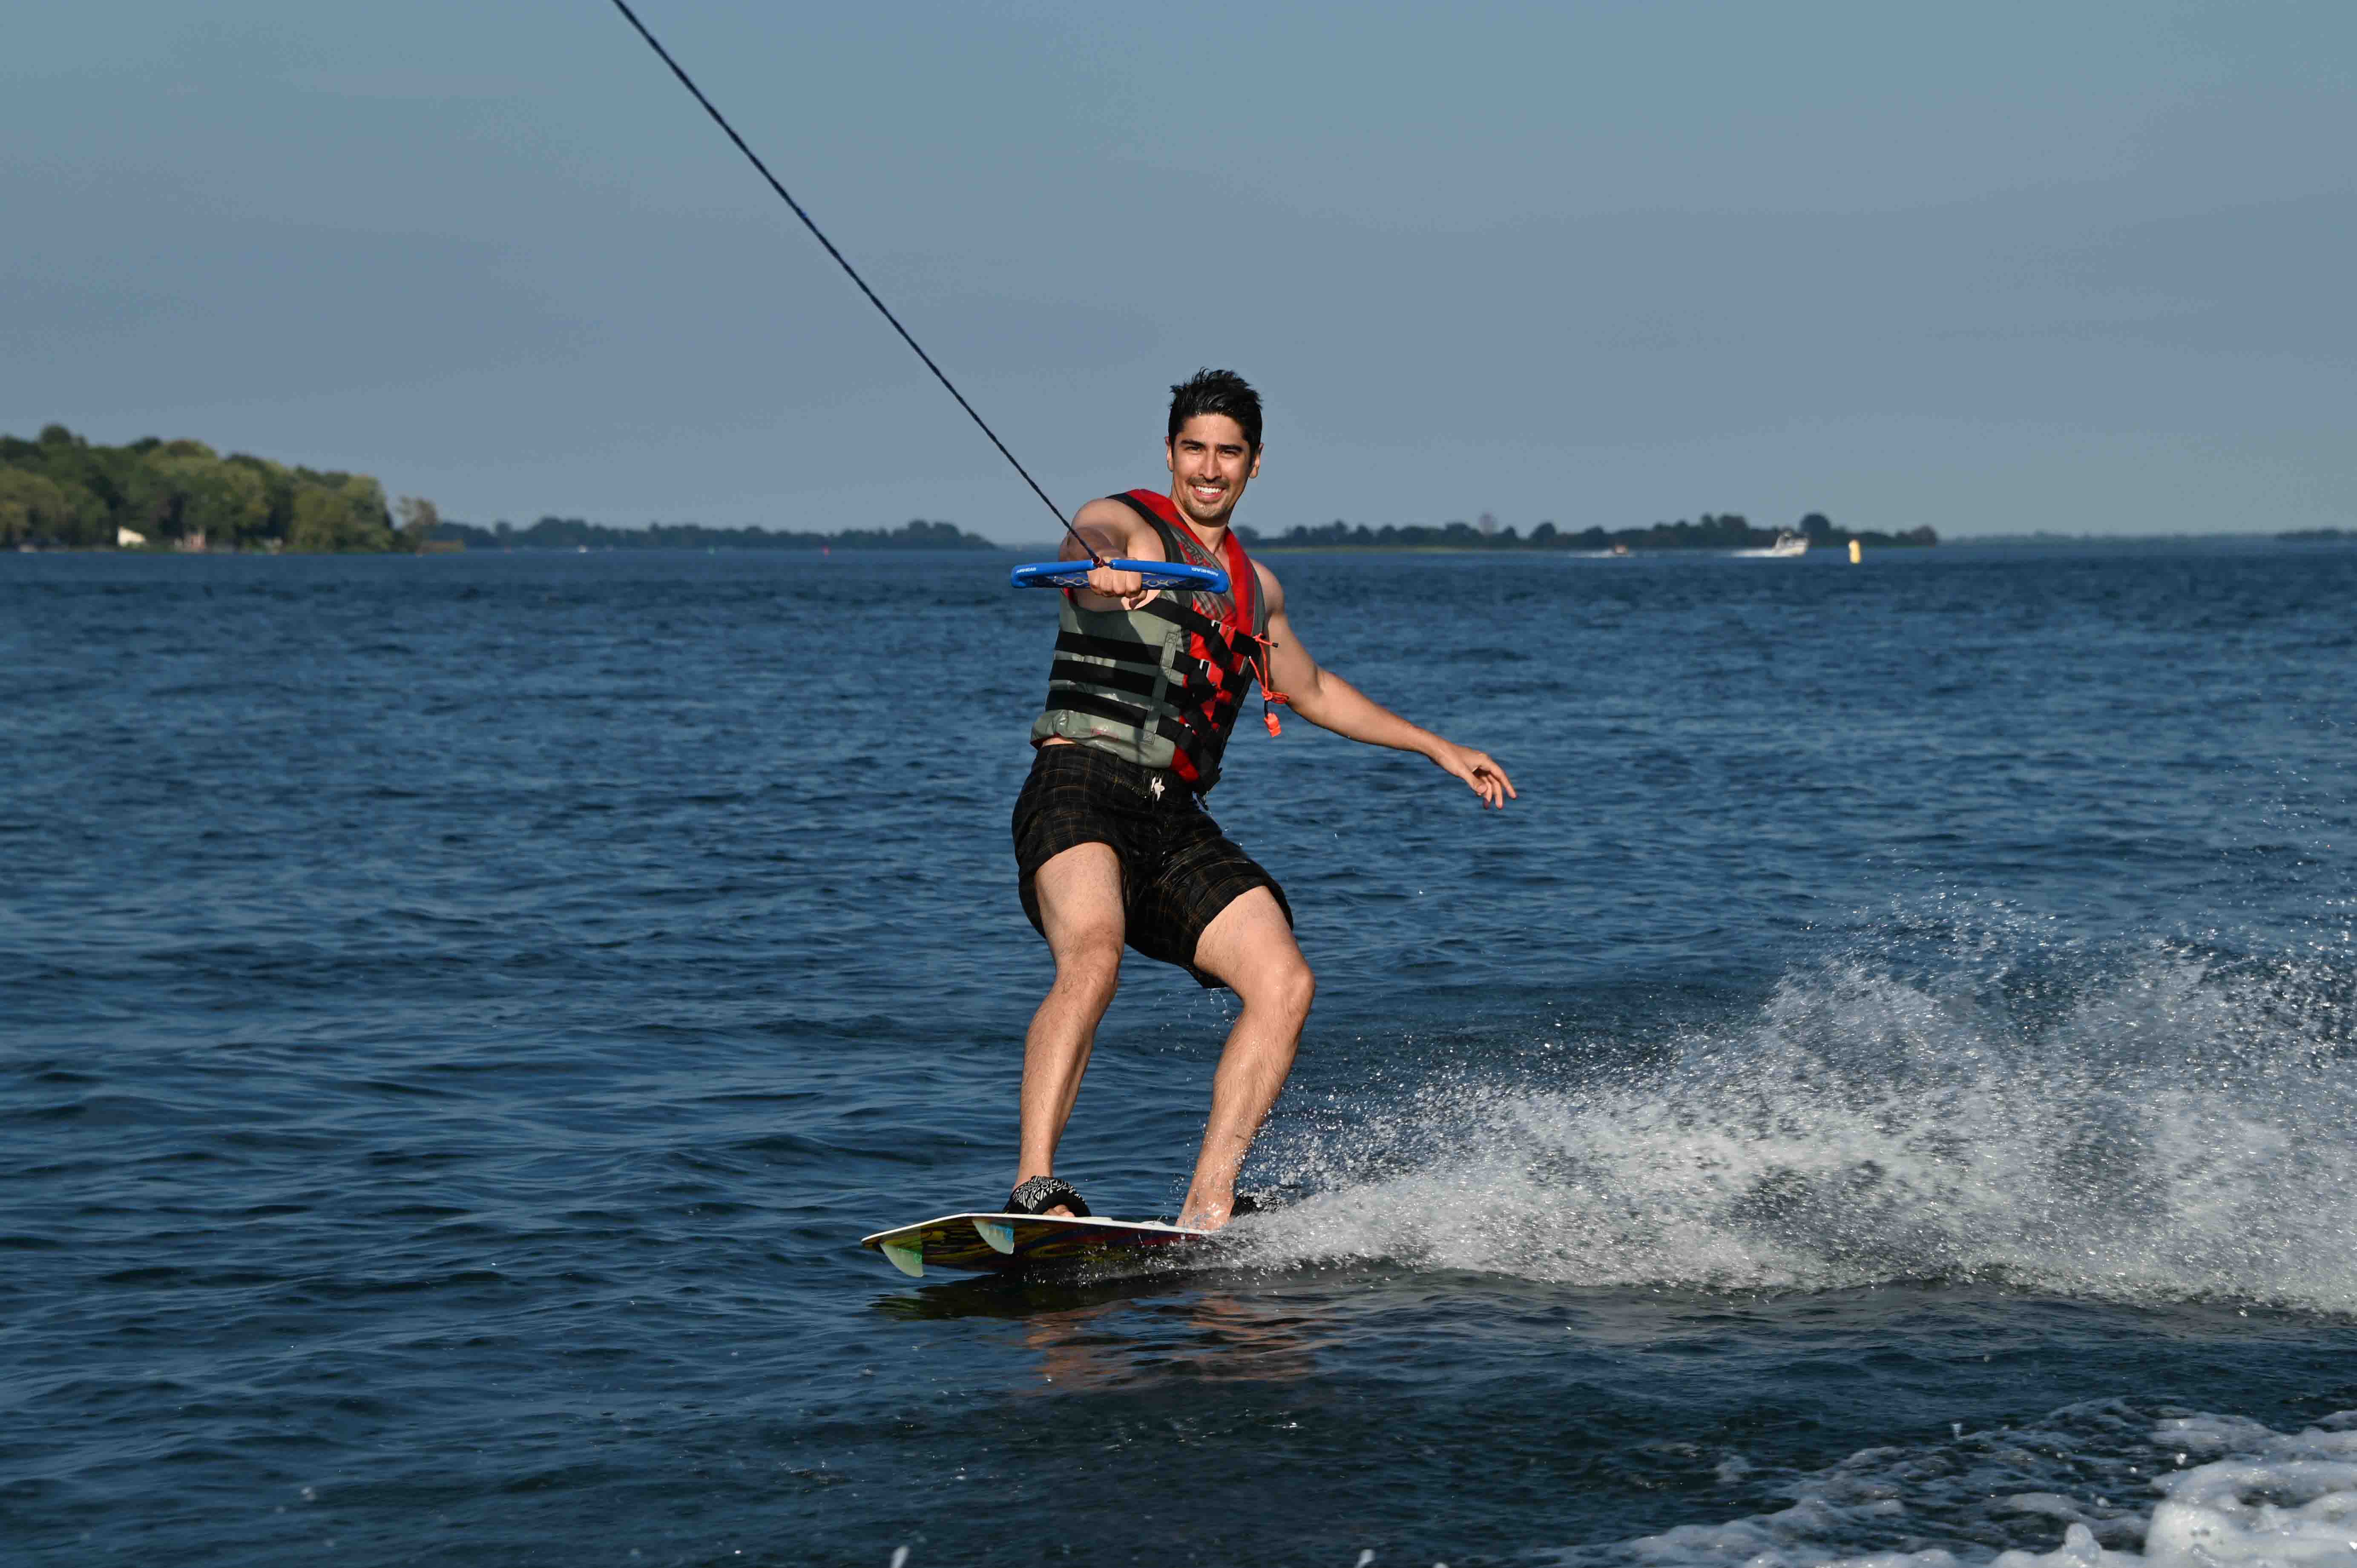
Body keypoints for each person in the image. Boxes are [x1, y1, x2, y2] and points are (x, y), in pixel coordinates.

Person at [1009, 369, 1515, 1230]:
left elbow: (1312, 688)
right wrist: (1106, 573)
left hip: (1172, 816)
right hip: (1079, 787)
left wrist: (1438, 746)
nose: (1210, 469)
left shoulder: (1255, 588)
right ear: (1170, 452)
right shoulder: (1124, 521)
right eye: (1195, 449)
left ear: (1254, 465)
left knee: (1284, 980)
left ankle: (1209, 1203)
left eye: (1228, 454)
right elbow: (1087, 540)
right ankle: (1036, 1187)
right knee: (1093, 956)